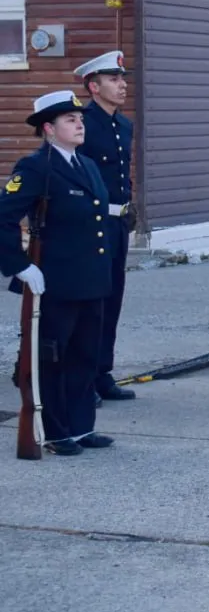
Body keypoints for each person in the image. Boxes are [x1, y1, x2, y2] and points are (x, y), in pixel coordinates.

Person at [1, 91, 116, 454]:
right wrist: (19, 267)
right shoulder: (36, 168)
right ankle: (53, 431)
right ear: (49, 129)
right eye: (70, 120)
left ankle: (81, 427)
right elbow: (4, 218)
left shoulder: (88, 165)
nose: (80, 124)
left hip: (91, 280)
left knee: (85, 356)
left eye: (80, 119)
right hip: (56, 282)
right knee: (53, 357)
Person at [72, 51, 136, 403]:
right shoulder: (82, 124)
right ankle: (81, 376)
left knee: (112, 298)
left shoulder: (123, 125)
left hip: (118, 223)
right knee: (90, 302)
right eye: (113, 79)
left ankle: (102, 372)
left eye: (122, 78)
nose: (122, 84)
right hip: (91, 225)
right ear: (93, 86)